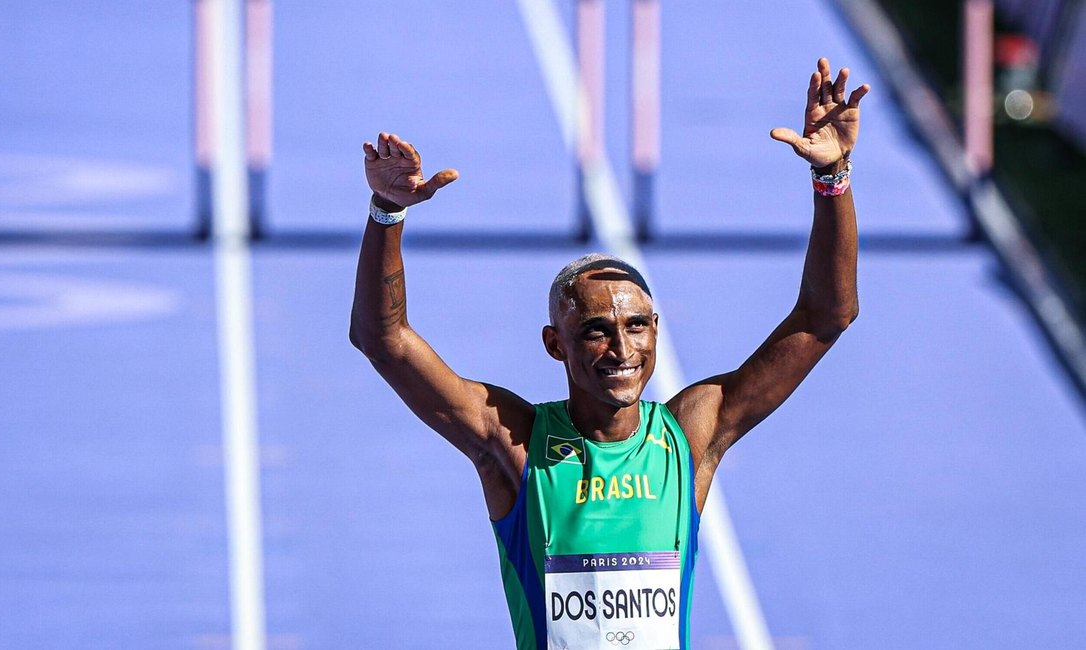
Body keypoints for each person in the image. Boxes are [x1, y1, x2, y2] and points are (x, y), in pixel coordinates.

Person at [350, 58, 869, 650]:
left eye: (637, 327)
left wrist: (833, 178)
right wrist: (387, 215)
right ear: (555, 344)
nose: (622, 349)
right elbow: (383, 341)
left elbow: (828, 316)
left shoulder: (691, 435)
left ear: (655, 331)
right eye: (596, 330)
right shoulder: (514, 442)